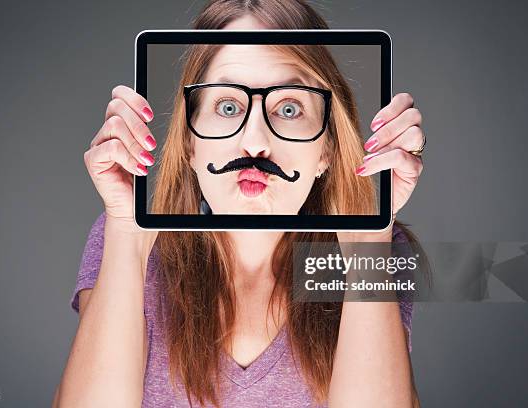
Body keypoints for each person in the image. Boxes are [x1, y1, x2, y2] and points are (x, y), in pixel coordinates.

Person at [54, 1, 426, 407]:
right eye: (228, 107)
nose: (254, 142)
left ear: (327, 149)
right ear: (190, 143)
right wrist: (126, 231)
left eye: (288, 108)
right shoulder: (125, 239)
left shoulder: (378, 251)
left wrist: (368, 242)